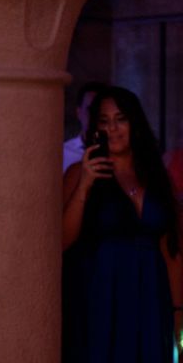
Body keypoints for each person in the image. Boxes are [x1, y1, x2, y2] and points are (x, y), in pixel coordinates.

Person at [62, 86, 182, 362]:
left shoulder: (155, 175)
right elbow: (61, 241)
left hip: (152, 294)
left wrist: (178, 311)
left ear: (134, 123)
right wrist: (85, 185)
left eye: (121, 119)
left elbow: (172, 248)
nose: (113, 128)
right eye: (104, 121)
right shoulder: (79, 173)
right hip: (101, 294)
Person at [62, 81, 107, 173]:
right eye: (90, 110)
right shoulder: (64, 153)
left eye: (100, 111)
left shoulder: (117, 151)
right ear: (79, 112)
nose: (95, 116)